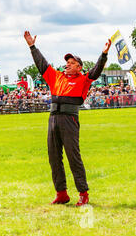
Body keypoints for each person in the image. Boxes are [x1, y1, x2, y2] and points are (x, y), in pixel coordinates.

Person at [24, 30, 111, 206]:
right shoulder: (56, 76)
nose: (67, 65)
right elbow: (42, 64)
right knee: (54, 157)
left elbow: (96, 70)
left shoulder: (84, 79)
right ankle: (61, 193)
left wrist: (104, 54)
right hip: (53, 118)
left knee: (73, 157)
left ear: (79, 67)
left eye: (72, 63)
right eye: (67, 62)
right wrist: (32, 46)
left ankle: (83, 194)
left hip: (69, 119)